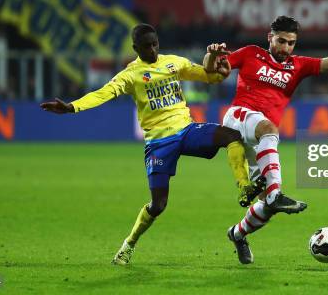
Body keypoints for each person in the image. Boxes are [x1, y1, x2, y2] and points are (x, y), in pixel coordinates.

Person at [40, 24, 261, 265]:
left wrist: (220, 69)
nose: (153, 49)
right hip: (159, 142)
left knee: (231, 136)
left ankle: (244, 187)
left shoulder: (174, 63)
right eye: (147, 46)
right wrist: (73, 107)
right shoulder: (130, 75)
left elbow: (209, 76)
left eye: (155, 44)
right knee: (158, 204)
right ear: (136, 48)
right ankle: (129, 245)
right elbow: (103, 93)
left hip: (186, 129)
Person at [204, 15, 328, 264]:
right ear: (270, 38)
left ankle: (237, 234)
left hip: (259, 138)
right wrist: (212, 54)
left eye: (291, 43)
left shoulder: (297, 65)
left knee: (266, 206)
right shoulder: (250, 54)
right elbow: (213, 69)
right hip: (239, 118)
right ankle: (276, 192)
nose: (286, 47)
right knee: (270, 129)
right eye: (281, 41)